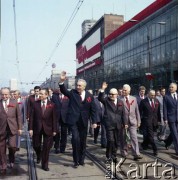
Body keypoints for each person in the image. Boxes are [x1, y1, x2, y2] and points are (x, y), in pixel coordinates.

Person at [58, 71, 97, 168]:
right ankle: (75, 161)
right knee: (75, 140)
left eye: (79, 85)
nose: (77, 87)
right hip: (73, 121)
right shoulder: (72, 93)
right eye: (77, 85)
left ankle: (81, 159)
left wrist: (94, 121)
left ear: (84, 87)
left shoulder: (89, 96)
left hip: (84, 122)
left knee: (83, 141)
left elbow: (93, 110)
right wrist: (61, 82)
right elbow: (64, 91)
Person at [98, 82, 128, 162]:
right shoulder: (106, 101)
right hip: (109, 124)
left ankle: (114, 156)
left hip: (118, 125)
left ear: (117, 94)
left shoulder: (121, 102)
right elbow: (100, 98)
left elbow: (123, 114)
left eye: (113, 94)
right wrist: (103, 89)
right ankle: (108, 156)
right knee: (110, 140)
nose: (111, 95)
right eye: (110, 94)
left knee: (116, 142)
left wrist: (125, 123)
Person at [29, 88, 57, 171]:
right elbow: (31, 117)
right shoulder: (35, 104)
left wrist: (54, 130)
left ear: (46, 95)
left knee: (46, 148)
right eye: (39, 93)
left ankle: (45, 165)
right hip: (37, 128)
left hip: (48, 128)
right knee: (36, 145)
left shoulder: (52, 105)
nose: (39, 95)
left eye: (41, 94)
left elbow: (54, 118)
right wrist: (30, 129)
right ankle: (39, 154)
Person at [0, 88, 22, 175]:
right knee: (1, 149)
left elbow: (19, 116)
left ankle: (11, 158)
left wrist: (20, 128)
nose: (4, 96)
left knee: (12, 146)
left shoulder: (14, 102)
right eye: (3, 94)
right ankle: (3, 165)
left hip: (12, 128)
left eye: (6, 94)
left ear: (9, 94)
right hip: (1, 129)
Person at [120, 84, 142, 160]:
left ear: (129, 91)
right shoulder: (120, 100)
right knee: (124, 138)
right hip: (124, 123)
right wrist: (122, 123)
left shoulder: (134, 99)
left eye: (125, 90)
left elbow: (137, 111)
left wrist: (138, 121)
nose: (124, 91)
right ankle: (124, 152)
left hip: (133, 122)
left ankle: (136, 153)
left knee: (134, 137)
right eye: (123, 90)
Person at [139, 90, 161, 156]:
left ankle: (144, 144)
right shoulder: (143, 102)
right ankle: (155, 149)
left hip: (155, 121)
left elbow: (158, 112)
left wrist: (159, 121)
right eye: (152, 95)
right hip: (147, 121)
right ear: (148, 94)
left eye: (154, 95)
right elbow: (139, 112)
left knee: (149, 136)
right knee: (151, 136)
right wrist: (139, 121)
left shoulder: (157, 101)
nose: (153, 96)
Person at [163, 83, 178, 156]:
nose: (170, 88)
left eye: (172, 87)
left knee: (174, 133)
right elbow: (165, 108)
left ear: (176, 88)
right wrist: (165, 118)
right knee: (175, 134)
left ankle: (167, 142)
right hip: (171, 118)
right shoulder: (166, 97)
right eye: (170, 87)